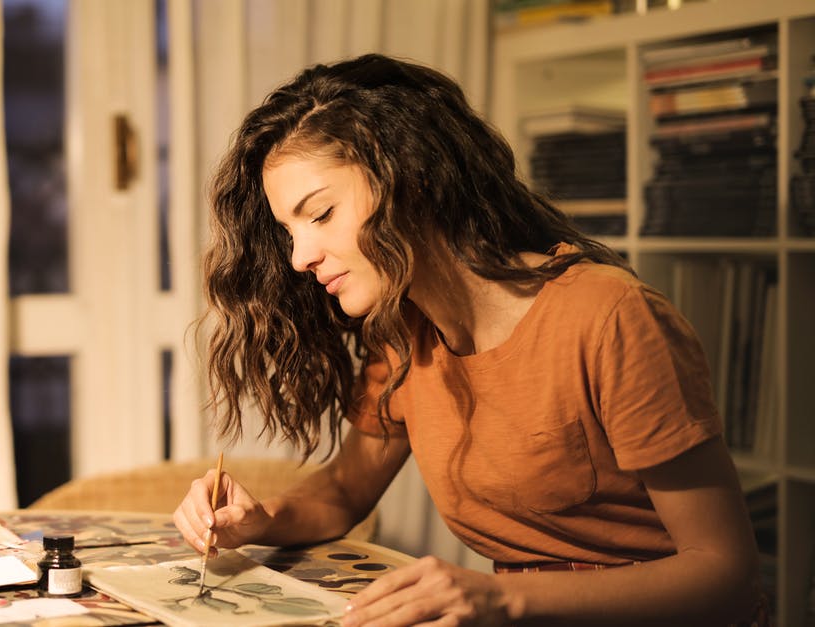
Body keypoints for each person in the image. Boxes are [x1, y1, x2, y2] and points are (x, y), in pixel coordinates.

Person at [172, 53, 766, 626]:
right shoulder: (404, 330)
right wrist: (259, 519)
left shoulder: (607, 315)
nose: (300, 257)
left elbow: (726, 574)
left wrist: (501, 598)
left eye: (320, 214)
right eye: (288, 230)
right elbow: (346, 490)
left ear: (412, 178)